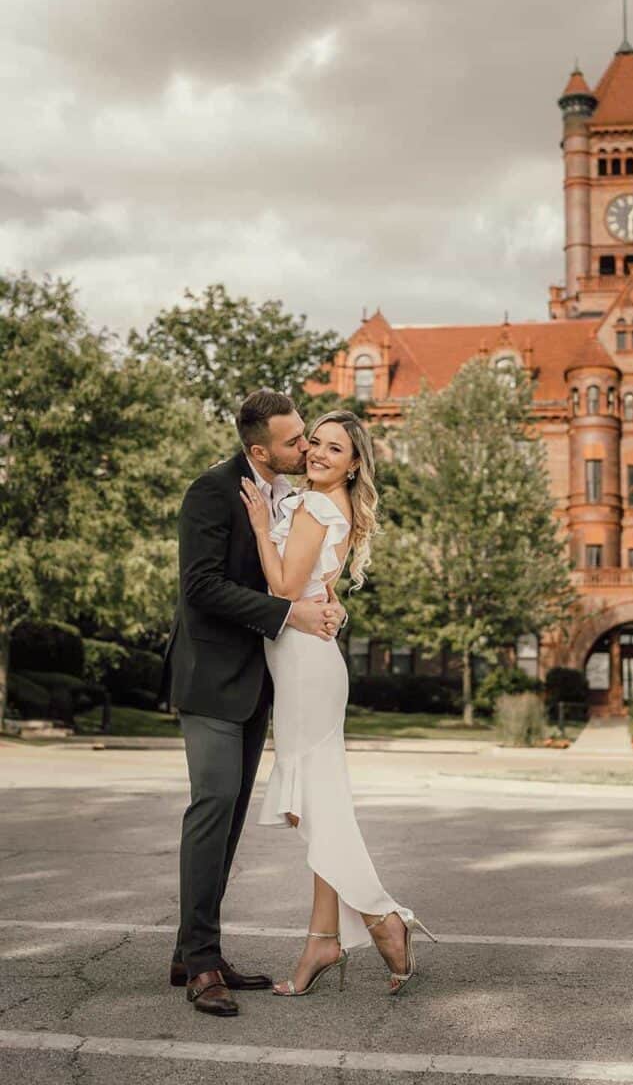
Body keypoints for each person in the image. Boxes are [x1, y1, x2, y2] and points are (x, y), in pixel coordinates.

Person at [163, 388, 347, 1017]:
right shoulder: (212, 491)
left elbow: (294, 568)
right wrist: (288, 613)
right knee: (212, 808)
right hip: (211, 675)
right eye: (295, 440)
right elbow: (202, 587)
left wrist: (324, 598)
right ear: (258, 448)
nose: (306, 446)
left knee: (231, 819)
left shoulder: (288, 496)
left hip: (259, 680)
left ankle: (194, 951)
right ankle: (203, 965)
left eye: (307, 435)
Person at [240, 408, 436, 998]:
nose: (320, 453)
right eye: (316, 443)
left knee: (314, 805)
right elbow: (318, 588)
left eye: (335, 449)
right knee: (319, 803)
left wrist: (256, 527)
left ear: (354, 466)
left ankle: (381, 918)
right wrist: (329, 601)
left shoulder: (313, 506)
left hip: (305, 665)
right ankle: (323, 937)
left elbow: (280, 588)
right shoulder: (330, 507)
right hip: (308, 661)